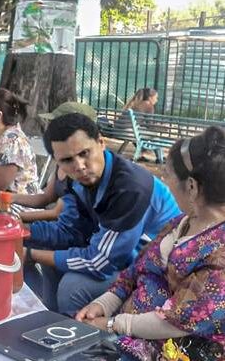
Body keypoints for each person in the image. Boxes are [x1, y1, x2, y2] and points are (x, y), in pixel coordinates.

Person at [76, 126, 225, 361]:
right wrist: (105, 303)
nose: (163, 181)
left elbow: (178, 321)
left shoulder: (219, 254)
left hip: (172, 352)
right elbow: (135, 270)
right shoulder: (180, 224)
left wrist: (114, 324)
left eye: (168, 175)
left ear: (192, 187)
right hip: (128, 336)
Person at [24, 113, 181, 316]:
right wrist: (21, 233)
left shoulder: (130, 188)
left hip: (156, 269)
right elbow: (70, 231)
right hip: (116, 255)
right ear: (57, 162)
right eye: (67, 160)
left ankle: (79, 339)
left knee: (72, 288)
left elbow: (101, 263)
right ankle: (50, 321)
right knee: (44, 250)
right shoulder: (77, 179)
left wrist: (29, 254)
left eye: (84, 153)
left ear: (101, 142)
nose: (79, 166)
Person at [12, 102, 99, 223]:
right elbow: (46, 197)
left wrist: (13, 218)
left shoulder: (81, 170)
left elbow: (57, 213)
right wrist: (8, 198)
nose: (49, 127)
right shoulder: (63, 159)